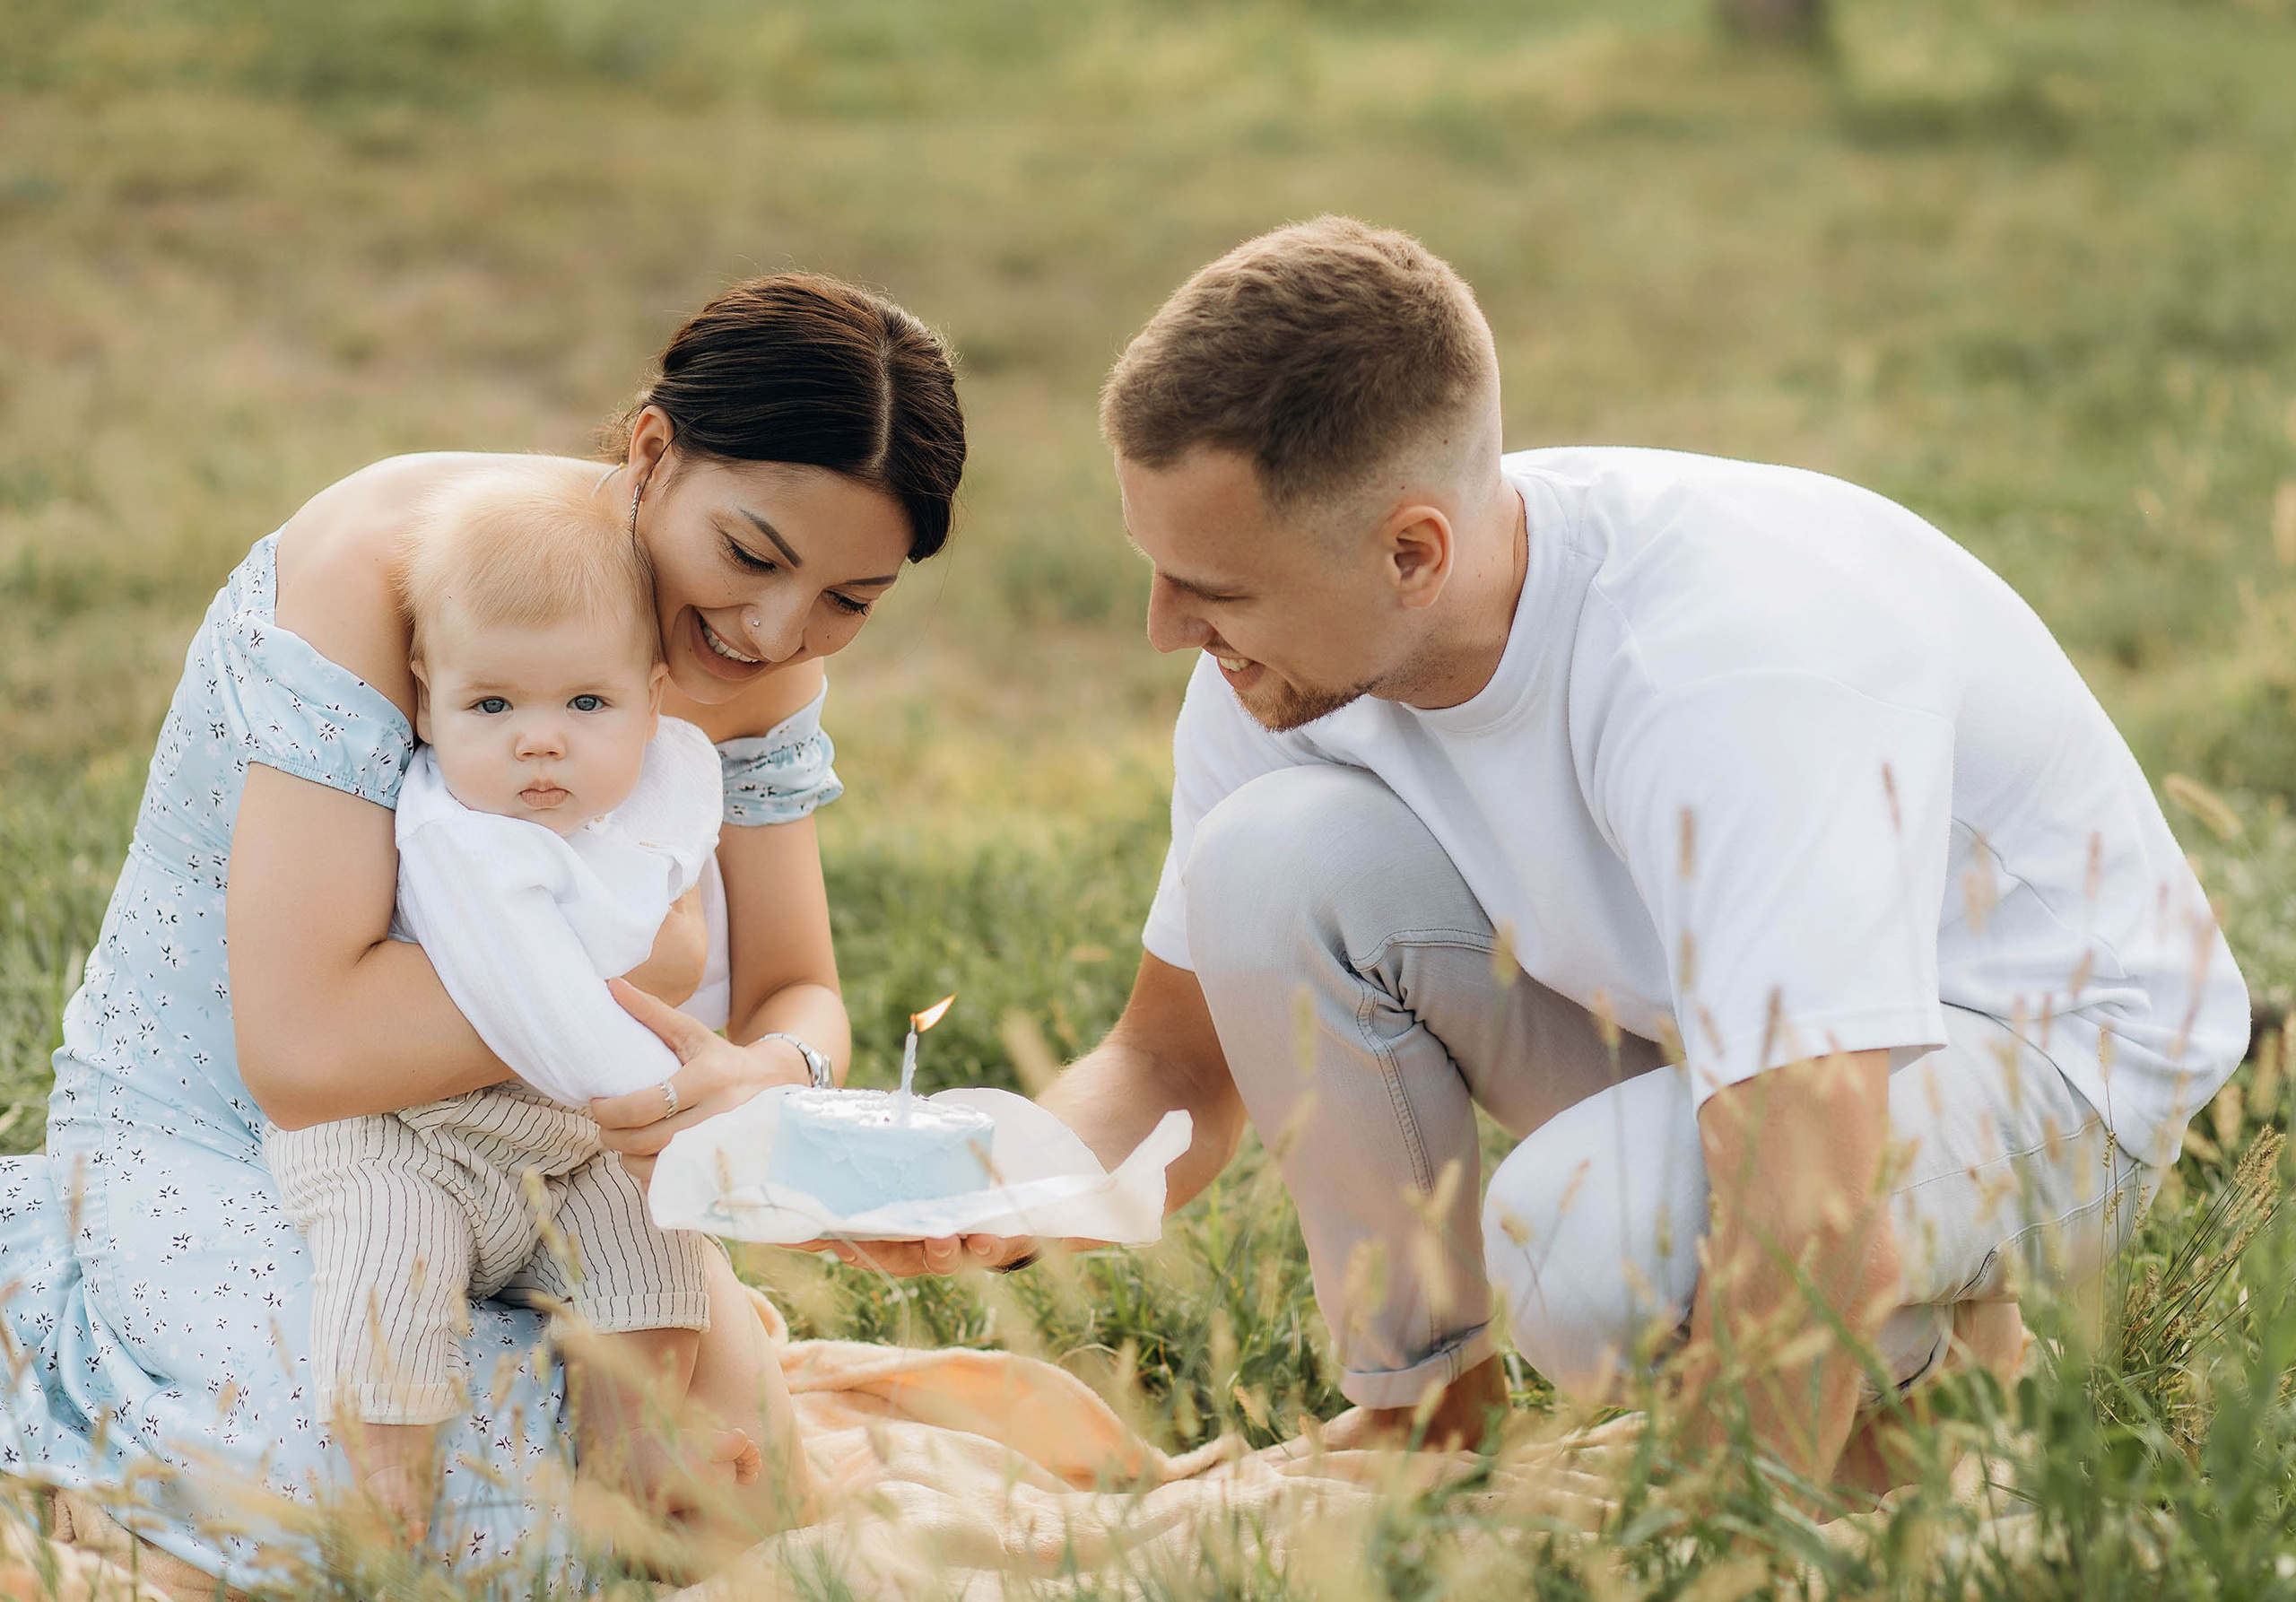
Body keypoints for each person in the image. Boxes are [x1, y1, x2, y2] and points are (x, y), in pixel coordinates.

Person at [871, 217, 2248, 1493]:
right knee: (1268, 859)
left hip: (2045, 1052)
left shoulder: (1723, 671)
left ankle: (1941, 1394)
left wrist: (1703, 1543)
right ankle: (1423, 1418)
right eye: (1158, 567)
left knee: (1586, 1244)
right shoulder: (1285, 660)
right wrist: (1007, 1184)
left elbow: (1816, 1202)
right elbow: (1172, 1064)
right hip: (1725, 1038)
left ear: (1413, 550)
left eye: (1215, 589)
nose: (1165, 627)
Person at [0, 272, 964, 1587]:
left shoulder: (762, 656)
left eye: (854, 598)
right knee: (421, 1497)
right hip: (247, 1133)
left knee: (720, 1487)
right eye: (751, 555)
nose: (777, 630)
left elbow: (800, 986)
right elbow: (305, 1049)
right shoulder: (383, 571)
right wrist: (638, 957)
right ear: (649, 452)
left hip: (551, 1157)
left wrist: (774, 1077)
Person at [264, 457, 802, 1544]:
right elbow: (547, 1003)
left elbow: (731, 962)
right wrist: (653, 1088)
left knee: (651, 1250)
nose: (538, 737)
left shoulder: (648, 795)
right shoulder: (455, 833)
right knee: (387, 1250)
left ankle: (634, 1444)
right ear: (428, 696)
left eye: (585, 702)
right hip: (408, 1135)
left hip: (563, 1145)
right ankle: (387, 1469)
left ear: (652, 702)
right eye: (493, 703)